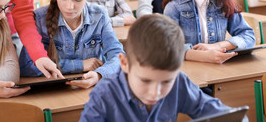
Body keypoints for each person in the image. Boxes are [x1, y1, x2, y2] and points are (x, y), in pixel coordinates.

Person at [80, 14, 240, 121]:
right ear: (124, 63)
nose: (155, 92)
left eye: (165, 82)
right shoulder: (104, 94)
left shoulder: (179, 82)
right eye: (145, 80)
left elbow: (227, 115)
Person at [19, 0, 125, 89]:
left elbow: (118, 57)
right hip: (53, 92)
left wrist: (98, 75)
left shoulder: (100, 15)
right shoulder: (40, 18)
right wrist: (79, 65)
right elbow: (26, 66)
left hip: (91, 89)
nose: (70, 6)